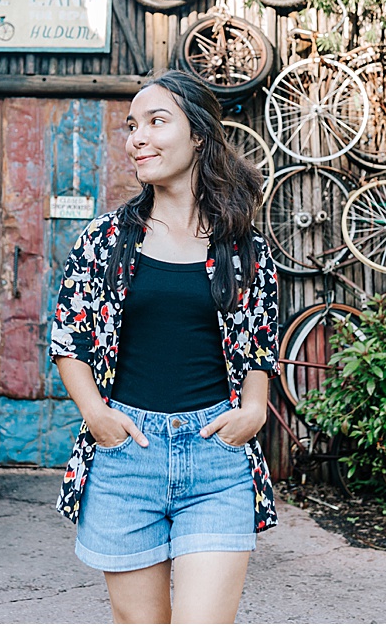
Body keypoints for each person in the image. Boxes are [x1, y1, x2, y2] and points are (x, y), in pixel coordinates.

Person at [49, 69, 281, 623]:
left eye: (157, 122)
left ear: (199, 135)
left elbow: (259, 345)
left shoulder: (242, 246)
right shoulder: (107, 239)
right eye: (132, 126)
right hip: (127, 456)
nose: (138, 138)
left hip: (215, 455)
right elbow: (68, 338)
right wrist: (95, 414)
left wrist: (253, 408)